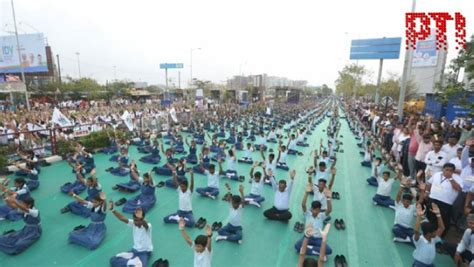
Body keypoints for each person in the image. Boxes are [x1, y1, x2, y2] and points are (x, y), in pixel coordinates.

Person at [294, 183, 332, 259]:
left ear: (319, 210)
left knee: (329, 250)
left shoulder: (321, 216)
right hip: (307, 237)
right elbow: (303, 205)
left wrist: (328, 198)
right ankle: (317, 252)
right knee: (297, 246)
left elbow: (329, 210)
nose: (314, 210)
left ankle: (308, 249)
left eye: (316, 209)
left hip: (318, 239)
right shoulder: (307, 214)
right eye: (313, 208)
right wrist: (306, 193)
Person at [425, 163, 462, 234]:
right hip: (433, 199)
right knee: (430, 216)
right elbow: (429, 183)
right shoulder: (437, 174)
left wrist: (450, 178)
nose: (448, 172)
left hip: (446, 203)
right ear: (443, 169)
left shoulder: (457, 178)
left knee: (443, 220)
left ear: (453, 171)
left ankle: (440, 236)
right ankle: (428, 233)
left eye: (451, 170)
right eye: (446, 170)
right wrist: (426, 192)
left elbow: (459, 189)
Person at [412, 203, 445, 267]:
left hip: (430, 265)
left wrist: (438, 214)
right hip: (419, 264)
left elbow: (442, 228)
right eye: (434, 232)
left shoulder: (433, 239)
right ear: (429, 234)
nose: (436, 232)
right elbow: (416, 231)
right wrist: (419, 216)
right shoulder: (420, 240)